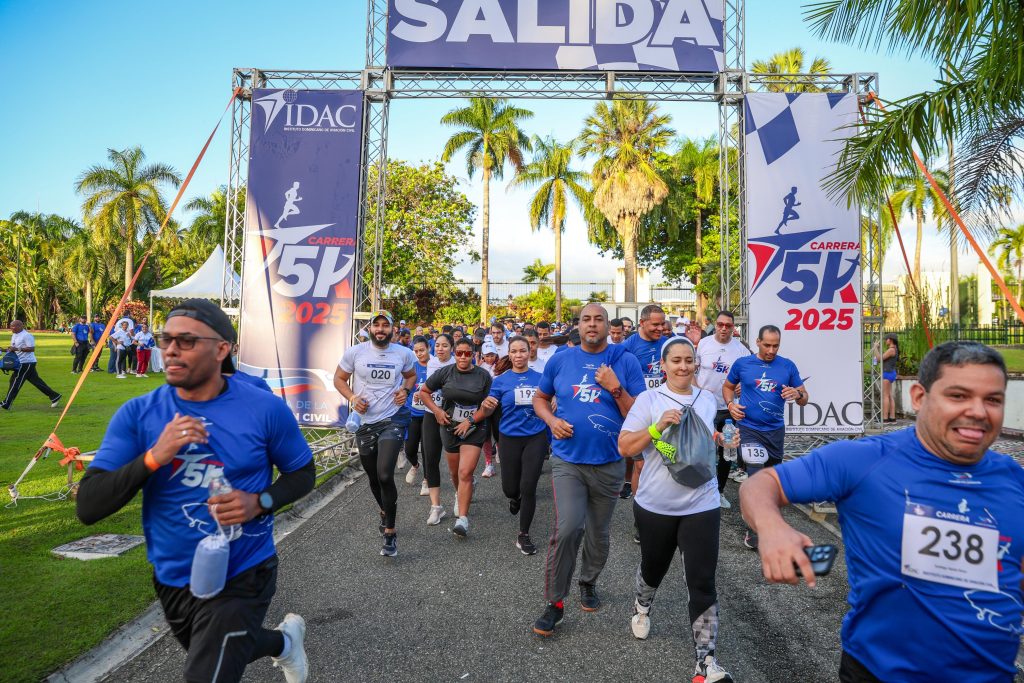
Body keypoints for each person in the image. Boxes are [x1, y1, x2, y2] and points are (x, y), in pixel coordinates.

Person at [739, 341, 1024, 683]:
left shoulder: (1013, 478)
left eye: (992, 400)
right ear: (919, 397)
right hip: (880, 673)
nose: (978, 411)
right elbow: (758, 486)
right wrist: (772, 528)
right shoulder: (864, 459)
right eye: (959, 396)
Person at [76, 298, 313, 683]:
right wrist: (154, 457)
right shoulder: (139, 414)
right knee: (222, 650)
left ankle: (279, 642)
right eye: (165, 338)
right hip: (172, 574)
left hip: (244, 570)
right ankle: (284, 643)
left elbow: (302, 472)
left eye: (186, 341)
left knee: (207, 671)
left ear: (222, 349)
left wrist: (260, 502)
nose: (170, 348)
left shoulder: (264, 409)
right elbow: (88, 505)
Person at [619, 337, 737, 682]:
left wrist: (724, 440)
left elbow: (701, 442)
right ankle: (642, 605)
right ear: (663, 365)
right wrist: (658, 427)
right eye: (676, 361)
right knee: (653, 569)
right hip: (656, 503)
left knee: (702, 581)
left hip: (702, 502)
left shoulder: (707, 400)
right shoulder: (648, 399)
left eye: (689, 360)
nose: (683, 366)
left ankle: (705, 662)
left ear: (695, 364)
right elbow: (625, 445)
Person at [530, 303, 645, 636]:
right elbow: (539, 398)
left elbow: (638, 413)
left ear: (609, 326)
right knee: (567, 529)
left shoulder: (625, 361)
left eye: (599, 319)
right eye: (586, 320)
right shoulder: (561, 360)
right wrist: (551, 421)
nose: (592, 324)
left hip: (610, 463)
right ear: (577, 327)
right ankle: (554, 603)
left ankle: (588, 580)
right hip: (568, 461)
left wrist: (614, 387)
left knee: (598, 533)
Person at [333, 310, 417, 558]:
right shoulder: (355, 352)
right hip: (365, 422)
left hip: (391, 419)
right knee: (372, 476)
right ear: (369, 329)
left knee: (384, 474)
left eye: (385, 326)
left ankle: (390, 533)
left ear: (393, 330)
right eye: (376, 325)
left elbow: (411, 376)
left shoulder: (404, 353)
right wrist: (352, 397)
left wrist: (405, 390)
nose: (381, 329)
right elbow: (339, 378)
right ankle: (384, 509)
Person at [723, 324, 808, 550]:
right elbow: (727, 387)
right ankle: (756, 530)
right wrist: (731, 405)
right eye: (767, 345)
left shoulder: (787, 366)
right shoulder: (743, 364)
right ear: (758, 342)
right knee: (756, 476)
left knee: (770, 481)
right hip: (749, 429)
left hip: (775, 431)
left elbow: (804, 398)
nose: (771, 350)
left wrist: (797, 393)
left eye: (776, 346)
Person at [476, 336, 547, 555]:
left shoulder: (541, 378)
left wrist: (553, 401)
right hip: (508, 438)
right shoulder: (500, 381)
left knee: (529, 486)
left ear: (529, 352)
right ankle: (513, 498)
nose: (518, 355)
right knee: (510, 488)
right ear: (509, 353)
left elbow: (550, 399)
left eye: (523, 351)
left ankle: (523, 534)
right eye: (514, 351)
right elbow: (489, 409)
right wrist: (486, 406)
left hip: (536, 436)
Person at [419, 337, 492, 538]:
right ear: (455, 353)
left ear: (473, 355)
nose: (462, 357)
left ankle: (463, 520)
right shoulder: (445, 372)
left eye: (467, 353)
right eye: (459, 353)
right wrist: (436, 411)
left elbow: (489, 406)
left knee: (465, 472)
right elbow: (424, 391)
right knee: (454, 473)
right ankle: (460, 493)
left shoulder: (483, 376)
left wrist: (470, 420)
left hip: (474, 428)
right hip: (450, 427)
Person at [695, 311, 751, 508]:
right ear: (715, 324)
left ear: (733, 327)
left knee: (727, 450)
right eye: (720, 324)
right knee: (702, 449)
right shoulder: (704, 343)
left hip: (729, 408)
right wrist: (696, 393)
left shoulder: (741, 350)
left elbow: (749, 376)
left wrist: (743, 384)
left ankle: (719, 491)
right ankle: (700, 490)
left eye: (728, 325)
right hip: (704, 407)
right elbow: (694, 370)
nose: (724, 328)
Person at [619, 305, 669, 511]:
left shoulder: (668, 344)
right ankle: (642, 517)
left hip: (664, 413)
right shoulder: (628, 345)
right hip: (639, 412)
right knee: (641, 464)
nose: (660, 328)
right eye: (655, 324)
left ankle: (661, 508)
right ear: (642, 323)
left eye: (662, 324)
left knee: (664, 460)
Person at [420, 333, 455, 524]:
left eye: (445, 346)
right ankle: (436, 507)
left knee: (454, 462)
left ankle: (461, 493)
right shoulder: (431, 363)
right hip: (431, 414)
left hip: (452, 417)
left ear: (452, 348)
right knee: (430, 459)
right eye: (438, 345)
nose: (440, 349)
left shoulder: (458, 363)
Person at [1, 320, 61, 410]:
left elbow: (32, 349)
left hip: (26, 363)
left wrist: (17, 348)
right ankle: (55, 396)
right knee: (36, 382)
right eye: (11, 326)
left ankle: (6, 403)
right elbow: (13, 349)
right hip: (20, 362)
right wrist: (3, 350)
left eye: (13, 326)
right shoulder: (14, 335)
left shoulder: (27, 335)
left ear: (20, 326)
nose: (11, 328)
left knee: (15, 382)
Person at [402, 336, 431, 492]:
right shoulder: (412, 368)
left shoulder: (435, 366)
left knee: (427, 449)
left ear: (428, 349)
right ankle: (415, 465)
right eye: (416, 351)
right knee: (410, 449)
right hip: (413, 413)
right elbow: (405, 389)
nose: (419, 353)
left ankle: (426, 480)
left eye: (422, 350)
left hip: (429, 414)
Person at [873, 334, 899, 423]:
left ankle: (885, 418)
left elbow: (879, 359)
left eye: (886, 339)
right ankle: (892, 417)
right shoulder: (894, 349)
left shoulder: (891, 350)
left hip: (887, 374)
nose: (885, 341)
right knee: (890, 396)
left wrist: (875, 348)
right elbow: (884, 357)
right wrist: (879, 349)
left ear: (890, 340)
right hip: (891, 373)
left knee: (885, 396)